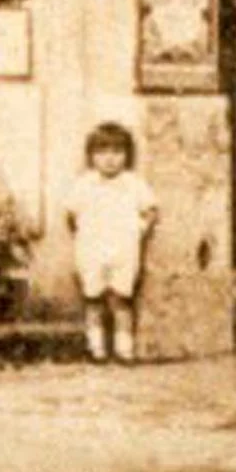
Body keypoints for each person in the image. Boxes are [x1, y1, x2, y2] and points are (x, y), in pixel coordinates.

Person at [65, 121, 158, 364]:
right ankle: (96, 347)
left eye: (117, 152)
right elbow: (71, 214)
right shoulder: (85, 183)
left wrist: (138, 229)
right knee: (93, 299)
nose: (110, 159)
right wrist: (85, 235)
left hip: (123, 251)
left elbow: (150, 210)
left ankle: (124, 348)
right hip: (92, 250)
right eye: (102, 152)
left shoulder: (133, 183)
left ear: (127, 155)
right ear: (91, 156)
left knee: (121, 300)